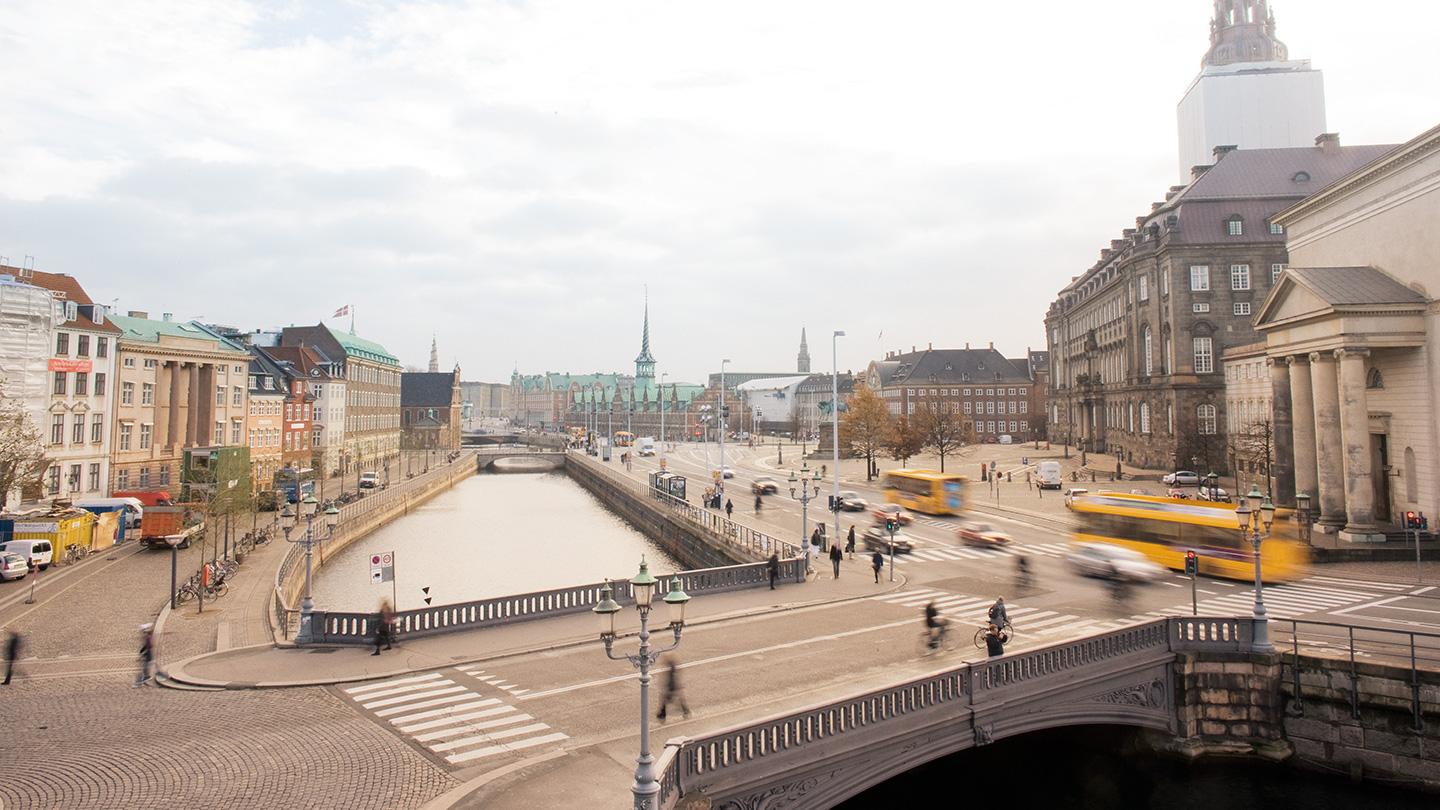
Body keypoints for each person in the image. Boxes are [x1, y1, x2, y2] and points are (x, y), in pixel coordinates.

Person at [656, 658, 691, 723]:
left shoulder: (671, 671)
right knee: (678, 701)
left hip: (671, 688)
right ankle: (685, 711)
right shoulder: (673, 669)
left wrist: (668, 689)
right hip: (673, 688)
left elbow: (671, 680)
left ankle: (662, 715)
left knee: (665, 701)